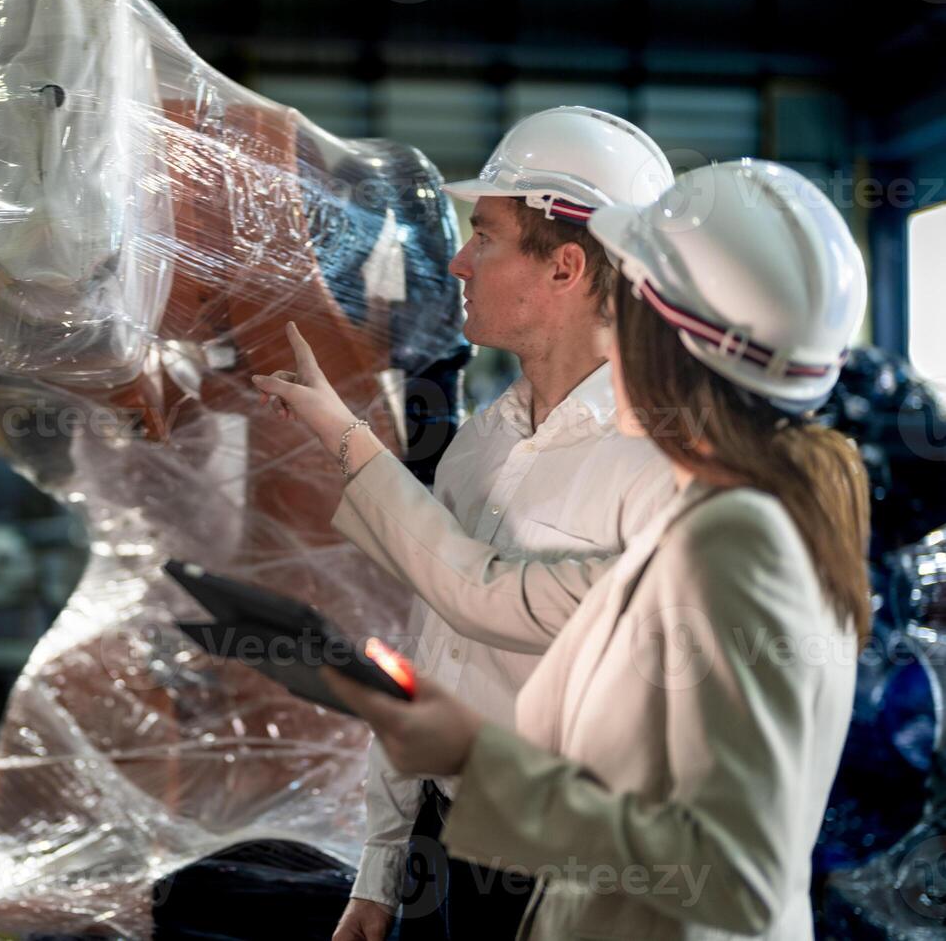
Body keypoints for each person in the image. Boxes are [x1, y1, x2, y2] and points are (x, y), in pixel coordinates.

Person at [321, 159, 869, 940]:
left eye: (628, 309)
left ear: (672, 341)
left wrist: (477, 759)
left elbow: (737, 875)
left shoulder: (738, 538)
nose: (611, 329)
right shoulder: (737, 516)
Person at [253, 106, 678, 940]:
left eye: (483, 236)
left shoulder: (659, 463)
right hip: (453, 857)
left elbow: (475, 595)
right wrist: (381, 870)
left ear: (564, 267)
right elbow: (427, 659)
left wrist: (345, 439)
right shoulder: (483, 444)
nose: (456, 262)